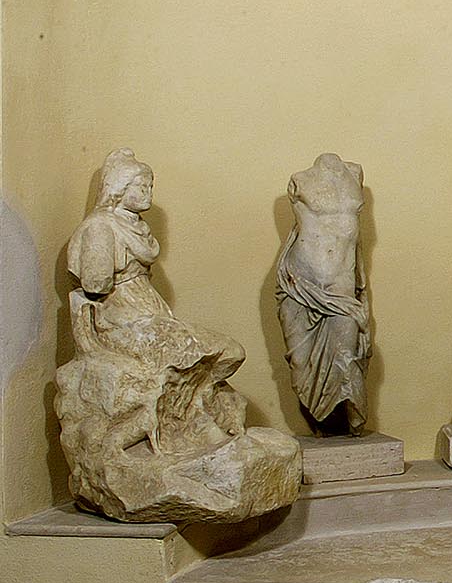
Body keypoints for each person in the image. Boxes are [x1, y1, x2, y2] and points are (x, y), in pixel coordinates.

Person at [65, 148, 245, 452]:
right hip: (120, 321)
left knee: (230, 351)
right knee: (186, 356)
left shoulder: (136, 226)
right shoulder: (100, 227)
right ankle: (190, 426)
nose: (148, 192)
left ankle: (195, 416)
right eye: (140, 186)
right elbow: (95, 284)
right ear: (119, 188)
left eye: (149, 185)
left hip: (150, 313)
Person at [275, 153, 370, 435]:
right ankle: (320, 425)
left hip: (342, 290)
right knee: (300, 363)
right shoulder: (300, 179)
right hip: (298, 284)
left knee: (346, 359)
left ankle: (345, 427)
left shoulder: (354, 173)